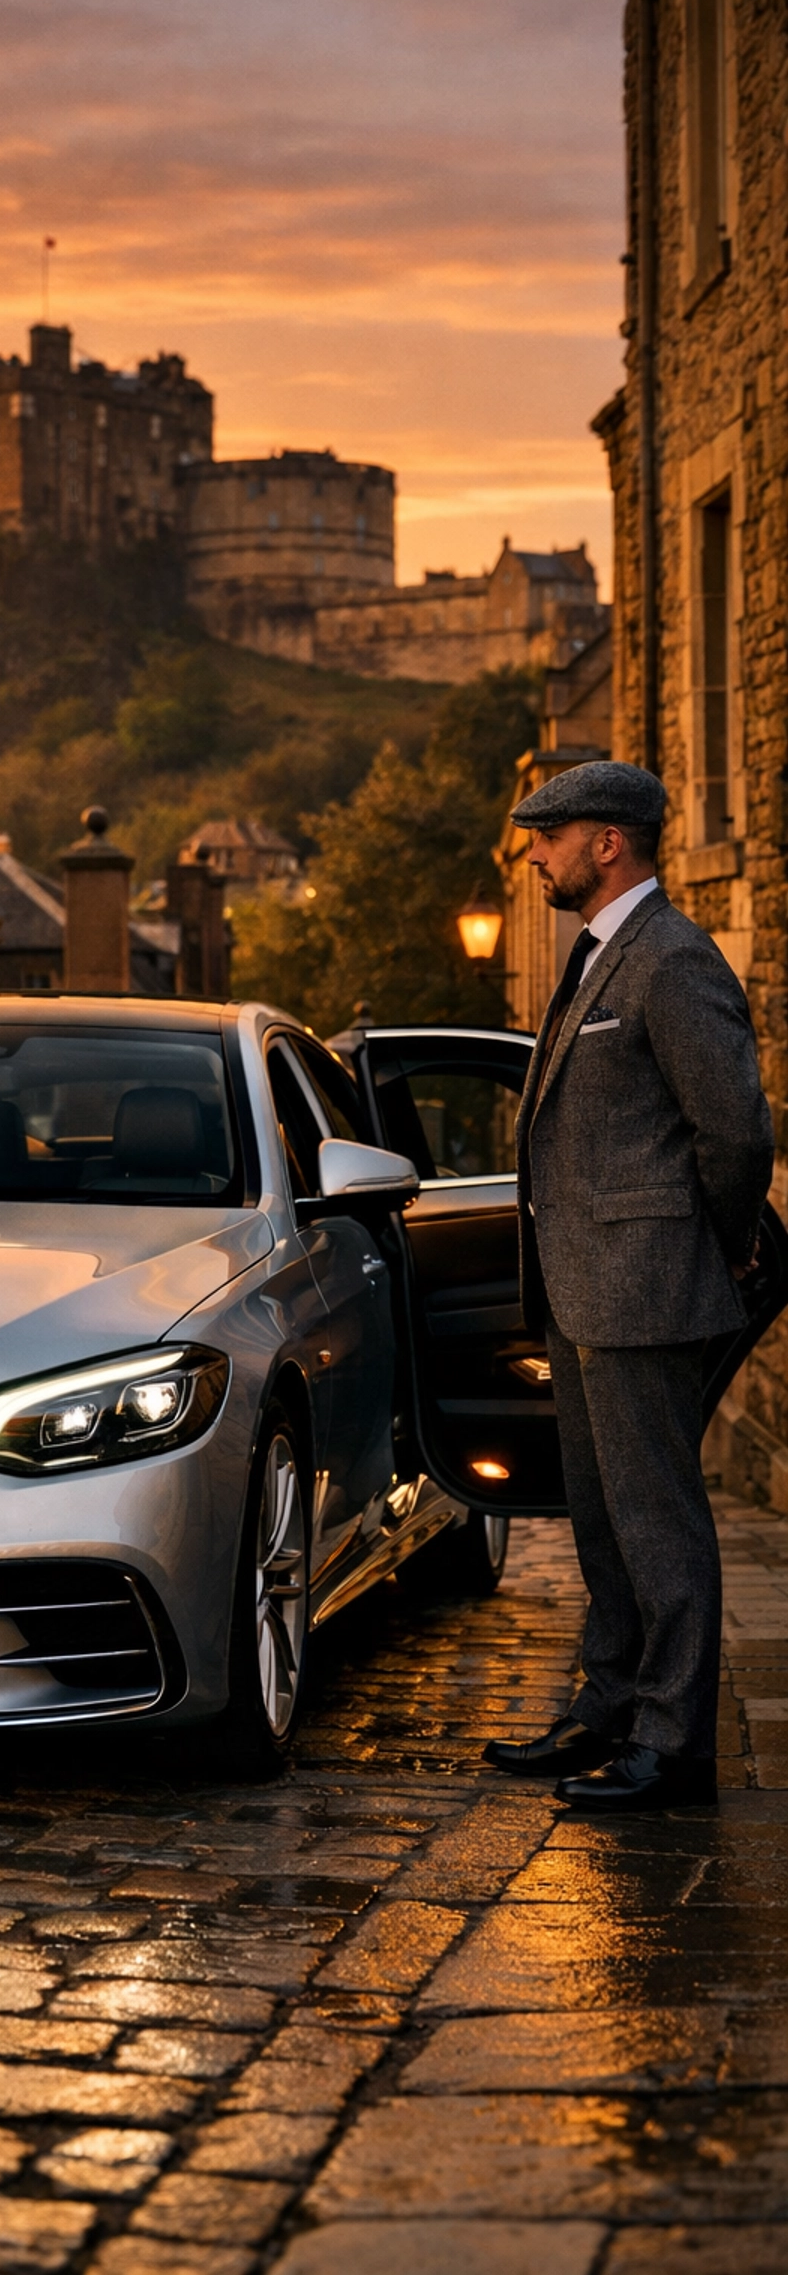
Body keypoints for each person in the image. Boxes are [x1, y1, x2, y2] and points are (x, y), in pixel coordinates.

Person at [482, 759, 773, 1812]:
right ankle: (607, 1704)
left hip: (647, 1285)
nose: (534, 853)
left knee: (659, 1520)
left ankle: (674, 1743)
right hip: (580, 1288)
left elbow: (736, 1133)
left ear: (609, 843)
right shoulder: (602, 952)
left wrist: (725, 1247)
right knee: (602, 1518)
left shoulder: (672, 961)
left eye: (549, 835)